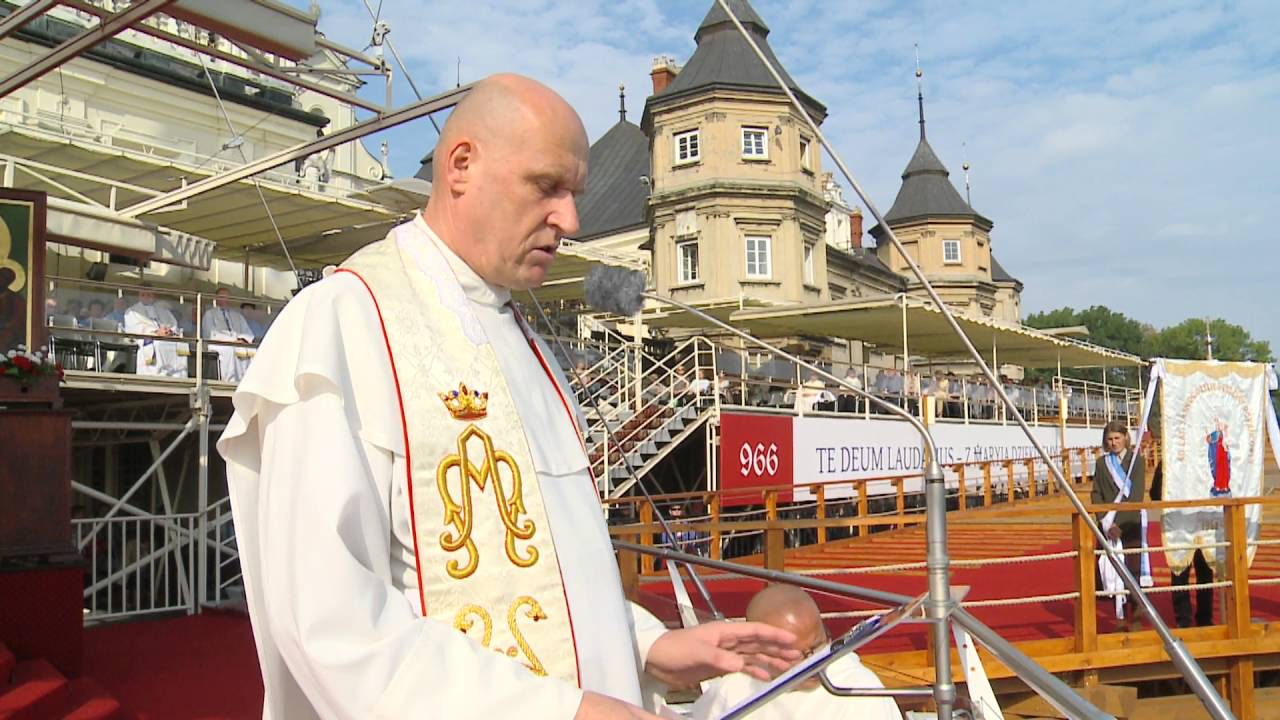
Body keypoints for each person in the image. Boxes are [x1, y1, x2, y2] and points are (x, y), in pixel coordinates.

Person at [217, 74, 799, 720]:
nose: (571, 220)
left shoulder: (527, 345)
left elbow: (546, 566)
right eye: (547, 186)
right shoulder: (342, 324)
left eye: (574, 194)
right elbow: (329, 623)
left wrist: (649, 647)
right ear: (461, 165)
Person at [690, 584, 901, 720]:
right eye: (796, 655)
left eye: (817, 647)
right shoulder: (733, 688)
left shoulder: (858, 690)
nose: (812, 663)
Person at [1091, 420, 1148, 629]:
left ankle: (1136, 615)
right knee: (1111, 571)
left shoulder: (1136, 462)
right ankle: (1120, 616)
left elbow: (1136, 495)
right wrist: (1105, 521)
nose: (1114, 443)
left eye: (1117, 438)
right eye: (1110, 439)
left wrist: (1119, 524)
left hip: (1129, 523)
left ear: (1125, 438)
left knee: (1131, 570)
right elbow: (1096, 493)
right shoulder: (1101, 463)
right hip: (1108, 526)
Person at [124, 286, 186, 377]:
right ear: (139, 296)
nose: (146, 297)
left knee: (183, 345)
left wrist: (169, 331)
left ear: (154, 295)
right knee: (157, 344)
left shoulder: (163, 310)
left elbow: (173, 324)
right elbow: (134, 328)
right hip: (148, 339)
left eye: (149, 294)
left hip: (166, 337)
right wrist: (156, 332)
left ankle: (179, 373)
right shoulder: (132, 311)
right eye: (143, 294)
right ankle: (156, 373)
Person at [201, 287, 256, 382]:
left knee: (253, 350)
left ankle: (249, 381)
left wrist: (243, 339)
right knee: (229, 350)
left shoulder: (238, 316)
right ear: (216, 299)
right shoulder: (209, 314)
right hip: (219, 344)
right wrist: (232, 341)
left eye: (227, 297)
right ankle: (230, 380)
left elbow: (247, 332)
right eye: (222, 297)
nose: (225, 300)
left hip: (238, 343)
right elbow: (210, 334)